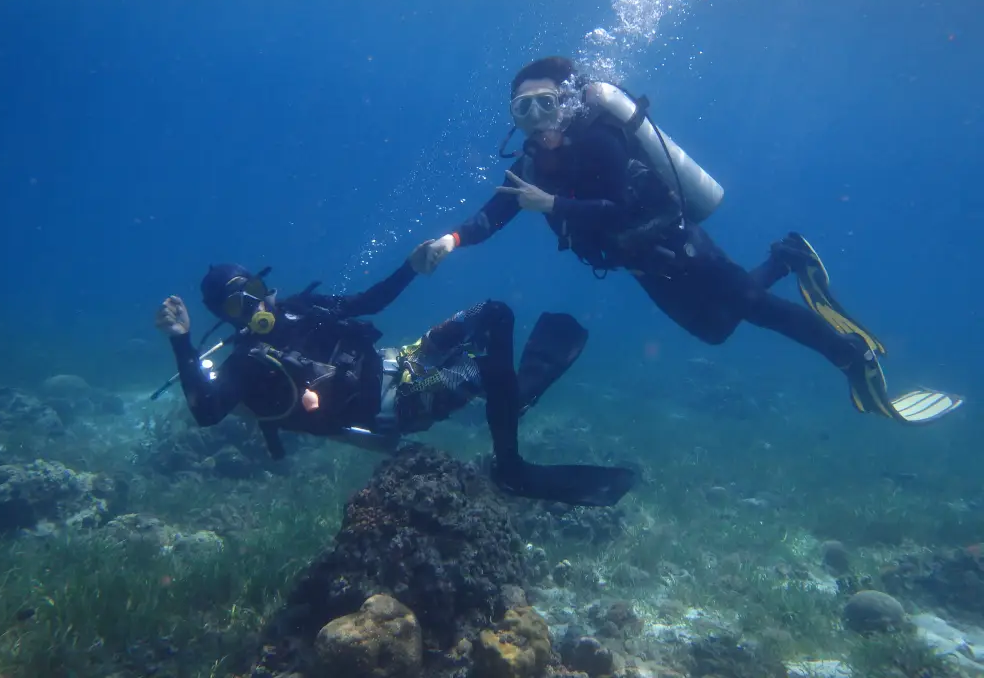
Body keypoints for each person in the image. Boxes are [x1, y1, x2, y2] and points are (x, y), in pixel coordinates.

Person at [412, 56, 962, 425]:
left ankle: (852, 356)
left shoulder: (599, 140)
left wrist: (554, 204)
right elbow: (500, 209)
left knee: (756, 310)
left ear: (568, 102)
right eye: (522, 108)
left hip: (677, 244)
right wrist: (450, 241)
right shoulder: (534, 159)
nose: (535, 118)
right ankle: (784, 255)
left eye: (545, 103)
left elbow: (619, 207)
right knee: (716, 330)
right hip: (641, 264)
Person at [153, 242, 637, 506]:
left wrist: (411, 266)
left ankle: (504, 402)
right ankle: (511, 461)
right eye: (238, 303)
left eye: (255, 287)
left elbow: (369, 302)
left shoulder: (304, 308)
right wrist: (181, 340)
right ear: (228, 316)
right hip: (402, 401)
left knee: (492, 313)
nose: (256, 303)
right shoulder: (246, 362)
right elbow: (206, 412)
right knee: (484, 374)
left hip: (401, 358)